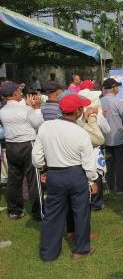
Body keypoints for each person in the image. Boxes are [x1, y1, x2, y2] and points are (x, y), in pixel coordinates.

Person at [33, 94, 98, 261]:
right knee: (81, 212)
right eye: (81, 108)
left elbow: (37, 158)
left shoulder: (46, 127)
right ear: (77, 111)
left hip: (55, 173)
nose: (83, 110)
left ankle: (48, 253)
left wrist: (44, 168)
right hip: (76, 174)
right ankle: (81, 250)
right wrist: (92, 180)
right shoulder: (80, 132)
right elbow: (89, 162)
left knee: (52, 213)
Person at [0, 81, 42, 220]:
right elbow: (39, 124)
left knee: (14, 178)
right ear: (14, 93)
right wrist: (36, 108)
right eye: (19, 90)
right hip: (26, 144)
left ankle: (14, 210)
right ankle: (38, 211)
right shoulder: (25, 110)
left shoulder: (3, 111)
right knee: (33, 178)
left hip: (11, 145)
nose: (21, 93)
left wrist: (29, 106)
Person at [100, 78, 123, 194]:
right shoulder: (118, 102)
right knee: (120, 164)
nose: (118, 88)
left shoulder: (100, 101)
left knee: (109, 163)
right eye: (117, 86)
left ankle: (110, 186)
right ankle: (120, 187)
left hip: (105, 138)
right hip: (118, 137)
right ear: (113, 88)